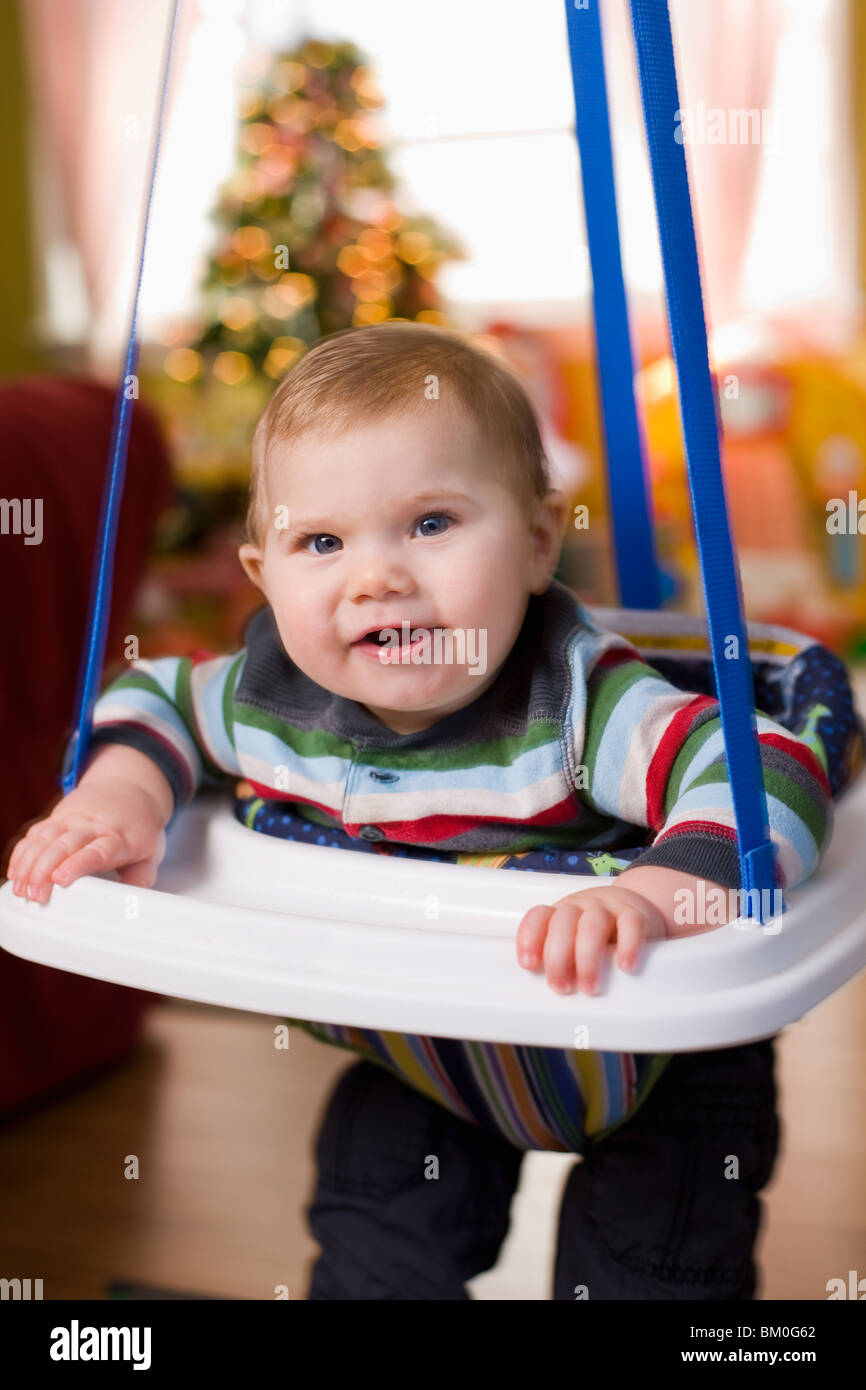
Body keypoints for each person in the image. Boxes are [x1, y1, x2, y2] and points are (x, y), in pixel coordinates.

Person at [6, 323, 834, 1298]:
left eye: (430, 523)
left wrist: (655, 897)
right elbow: (153, 698)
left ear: (534, 543)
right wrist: (119, 795)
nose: (377, 576)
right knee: (373, 1240)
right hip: (428, 1059)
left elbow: (762, 770)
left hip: (652, 1068)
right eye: (321, 540)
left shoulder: (573, 701)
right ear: (262, 579)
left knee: (647, 1272)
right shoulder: (268, 695)